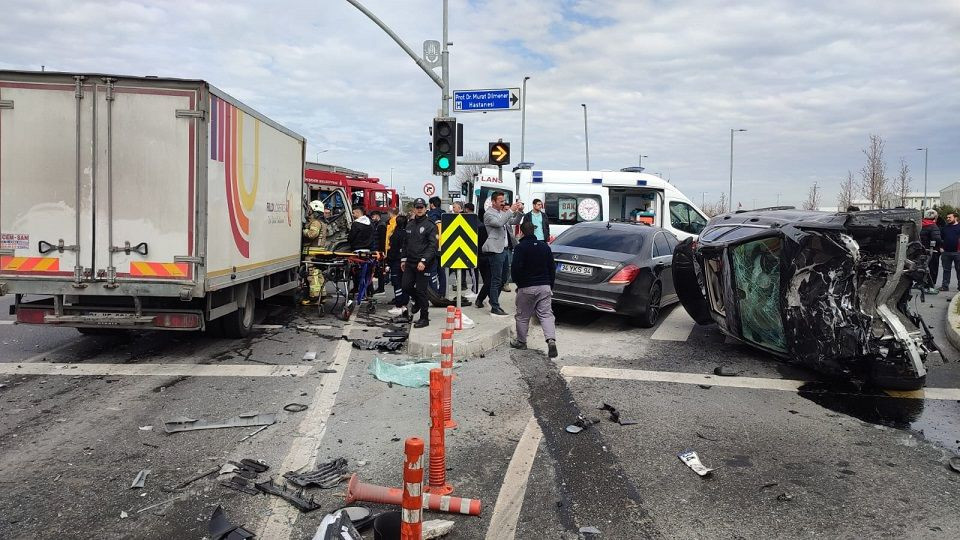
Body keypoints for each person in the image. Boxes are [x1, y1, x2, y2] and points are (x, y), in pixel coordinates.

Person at [510, 220, 558, 358]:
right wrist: (550, 286)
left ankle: (521, 342)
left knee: (523, 316)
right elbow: (551, 268)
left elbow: (515, 269)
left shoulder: (520, 248)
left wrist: (519, 284)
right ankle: (551, 340)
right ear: (535, 231)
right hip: (544, 286)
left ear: (521, 232)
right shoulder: (544, 247)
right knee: (546, 315)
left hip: (527, 287)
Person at [482, 192, 523, 316]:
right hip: (495, 250)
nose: (503, 203)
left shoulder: (501, 213)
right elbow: (499, 223)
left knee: (504, 279)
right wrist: (510, 210)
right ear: (493, 202)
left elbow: (514, 221)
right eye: (501, 201)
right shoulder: (489, 214)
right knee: (496, 279)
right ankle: (495, 306)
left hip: (505, 250)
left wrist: (519, 211)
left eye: (504, 200)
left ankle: (492, 300)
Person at [401, 198, 438, 328]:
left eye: (421, 207)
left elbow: (433, 246)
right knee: (405, 286)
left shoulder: (430, 225)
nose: (419, 209)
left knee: (422, 291)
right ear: (414, 208)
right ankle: (416, 300)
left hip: (424, 263)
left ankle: (424, 318)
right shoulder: (410, 224)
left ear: (425, 208)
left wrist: (424, 261)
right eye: (417, 207)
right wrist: (403, 259)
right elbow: (405, 243)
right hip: (410, 262)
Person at [386, 215, 409, 316]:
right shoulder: (408, 234)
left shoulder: (395, 234)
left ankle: (398, 305)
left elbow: (392, 250)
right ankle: (404, 304)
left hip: (396, 261)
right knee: (406, 283)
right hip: (407, 262)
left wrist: (388, 262)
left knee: (397, 283)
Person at [426, 196, 447, 296]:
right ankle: (442, 293)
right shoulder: (445, 215)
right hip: (444, 247)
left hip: (433, 247)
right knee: (442, 272)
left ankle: (434, 294)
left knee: (432, 271)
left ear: (432, 204)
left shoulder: (430, 216)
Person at [921, 209, 942, 294]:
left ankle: (923, 285)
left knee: (923, 268)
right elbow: (937, 239)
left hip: (921, 250)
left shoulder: (920, 225)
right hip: (932, 251)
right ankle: (931, 287)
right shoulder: (933, 226)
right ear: (935, 217)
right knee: (932, 269)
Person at [940, 212, 960, 291]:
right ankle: (945, 286)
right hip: (946, 252)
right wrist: (941, 247)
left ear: (955, 218)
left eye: (949, 217)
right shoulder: (945, 228)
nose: (948, 219)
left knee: (959, 270)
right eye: (947, 217)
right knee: (946, 270)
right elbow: (941, 238)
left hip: (958, 252)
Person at [370, 210, 388, 293]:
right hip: (377, 251)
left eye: (373, 216)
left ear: (377, 216)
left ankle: (381, 288)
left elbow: (382, 240)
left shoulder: (381, 225)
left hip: (379, 251)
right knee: (378, 270)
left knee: (381, 270)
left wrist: (382, 251)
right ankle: (380, 288)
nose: (372, 218)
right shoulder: (377, 224)